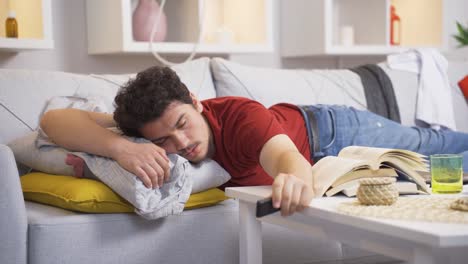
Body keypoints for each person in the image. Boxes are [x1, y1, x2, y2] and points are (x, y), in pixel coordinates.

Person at [40, 66, 468, 216]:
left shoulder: (239, 116)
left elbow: (287, 158)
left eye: (183, 123)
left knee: (439, 148)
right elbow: (53, 120)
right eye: (164, 141)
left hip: (334, 134)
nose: (181, 144)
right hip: (337, 165)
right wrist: (122, 147)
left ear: (195, 100)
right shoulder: (147, 135)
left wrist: (294, 181)